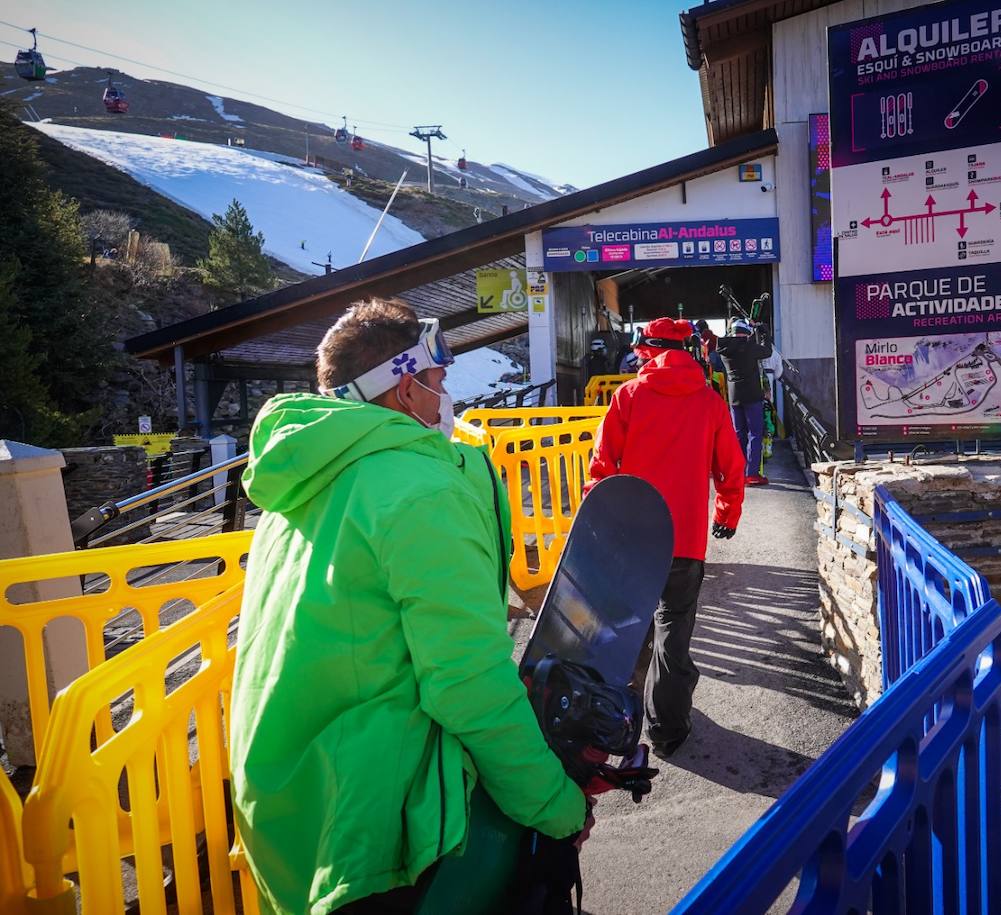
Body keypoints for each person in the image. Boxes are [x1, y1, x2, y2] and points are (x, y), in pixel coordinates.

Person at [230, 298, 591, 914]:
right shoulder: (421, 490)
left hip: (283, 804)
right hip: (367, 821)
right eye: (439, 380)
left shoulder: (307, 472)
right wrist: (557, 806)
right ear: (403, 388)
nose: (446, 397)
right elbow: (466, 685)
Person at [587, 317, 745, 757]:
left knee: (627, 632)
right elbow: (731, 468)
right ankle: (668, 731)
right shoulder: (709, 400)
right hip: (686, 541)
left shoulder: (628, 396)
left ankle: (619, 721)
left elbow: (601, 469)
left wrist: (601, 523)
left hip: (633, 539)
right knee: (673, 636)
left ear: (647, 351)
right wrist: (726, 514)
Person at [715, 319, 774, 486]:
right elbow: (767, 351)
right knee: (755, 434)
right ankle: (752, 473)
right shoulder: (750, 347)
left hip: (734, 396)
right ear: (746, 332)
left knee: (738, 434)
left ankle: (738, 473)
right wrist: (763, 330)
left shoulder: (724, 348)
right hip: (752, 395)